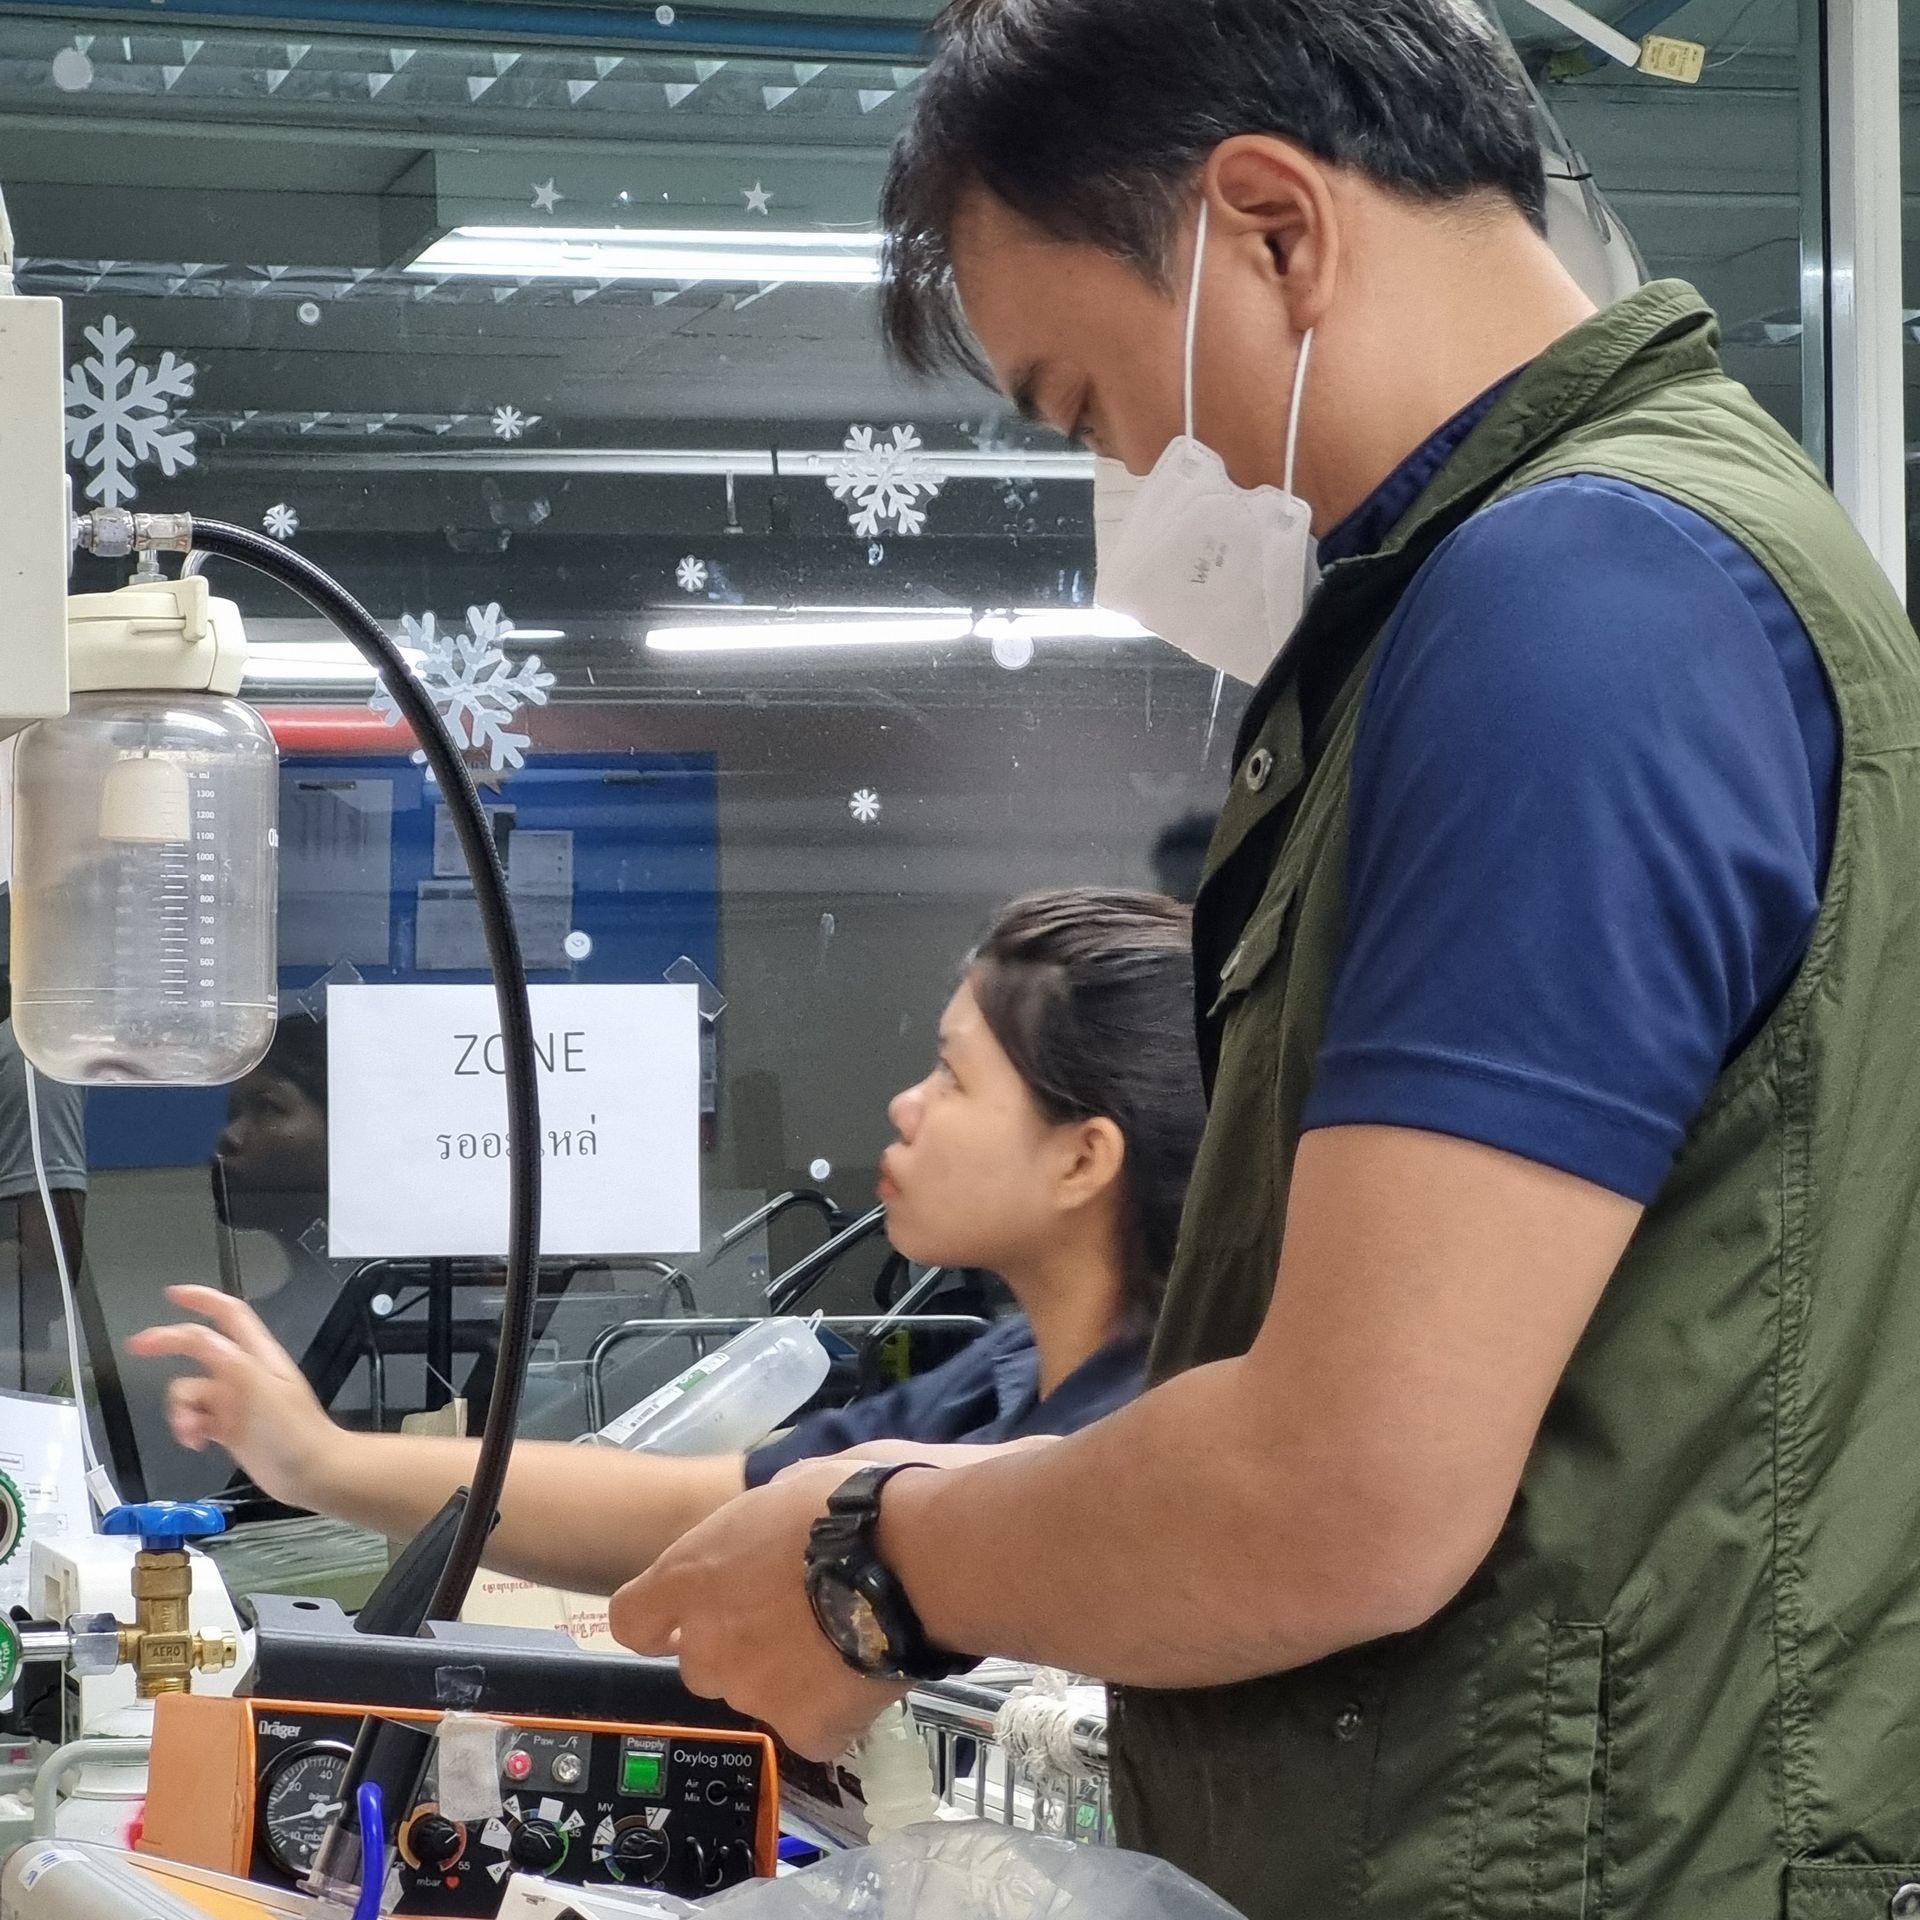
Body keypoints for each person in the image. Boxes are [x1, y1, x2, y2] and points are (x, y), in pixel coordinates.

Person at [604, 5, 1920, 1918]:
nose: (1137, 464)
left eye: (1091, 397)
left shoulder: (1585, 607)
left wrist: (875, 1561)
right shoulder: (1587, 579)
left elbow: (1352, 1486)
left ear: (1276, 229)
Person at [130, 889, 1206, 1597]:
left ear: (1083, 1157)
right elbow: (696, 1508)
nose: (905, 1104)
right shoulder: (1003, 1377)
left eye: (954, 1078)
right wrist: (318, 1458)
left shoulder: (1163, 1441)